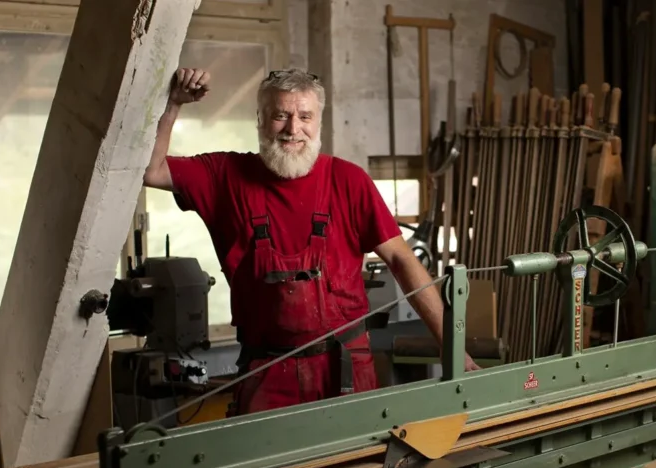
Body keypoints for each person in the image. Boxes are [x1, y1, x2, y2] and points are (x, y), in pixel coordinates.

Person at [143, 67, 477, 416]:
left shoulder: (349, 181)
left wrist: (450, 344)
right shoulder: (224, 176)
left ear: (319, 122)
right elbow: (151, 171)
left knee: (355, 466)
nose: (292, 129)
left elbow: (402, 260)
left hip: (346, 368)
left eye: (305, 116)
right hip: (266, 372)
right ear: (260, 119)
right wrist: (174, 105)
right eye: (280, 115)